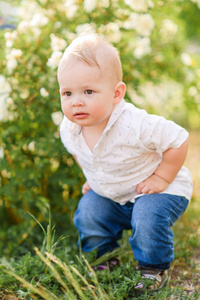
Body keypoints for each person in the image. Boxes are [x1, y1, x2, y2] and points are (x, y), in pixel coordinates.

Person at [58, 33, 193, 293]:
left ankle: (154, 269)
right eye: (68, 93)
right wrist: (92, 176)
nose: (77, 101)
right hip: (114, 190)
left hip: (160, 189)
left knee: (147, 214)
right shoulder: (70, 128)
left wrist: (162, 177)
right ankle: (104, 260)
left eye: (88, 91)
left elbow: (179, 138)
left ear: (117, 93)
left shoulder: (135, 124)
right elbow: (78, 151)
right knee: (89, 210)